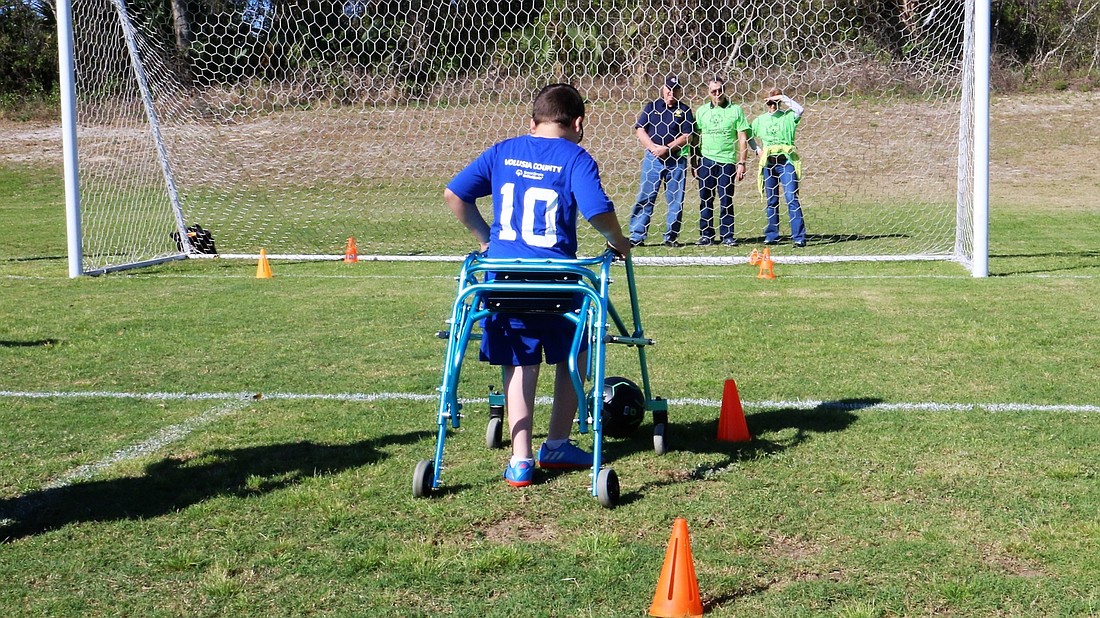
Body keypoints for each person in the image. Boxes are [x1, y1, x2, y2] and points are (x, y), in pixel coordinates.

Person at [443, 83, 632, 488]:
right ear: (578, 123)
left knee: (519, 361)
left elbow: (455, 194)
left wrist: (485, 237)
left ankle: (521, 458)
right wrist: (619, 242)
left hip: (504, 277)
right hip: (557, 282)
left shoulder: (501, 150)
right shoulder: (576, 157)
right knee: (573, 352)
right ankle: (559, 443)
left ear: (532, 123)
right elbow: (597, 209)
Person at [628, 75, 695, 248]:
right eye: (668, 89)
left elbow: (688, 136)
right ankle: (637, 235)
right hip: (653, 159)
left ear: (679, 91)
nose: (671, 93)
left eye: (675, 90)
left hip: (676, 159)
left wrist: (668, 147)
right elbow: (640, 129)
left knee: (675, 199)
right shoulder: (652, 106)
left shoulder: (685, 110)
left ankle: (671, 237)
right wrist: (653, 148)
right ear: (663, 89)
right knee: (646, 196)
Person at [691, 77, 750, 247]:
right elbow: (695, 139)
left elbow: (742, 137)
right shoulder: (702, 111)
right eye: (713, 91)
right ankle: (706, 234)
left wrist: (741, 162)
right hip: (706, 161)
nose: (717, 94)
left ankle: (727, 235)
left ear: (724, 90)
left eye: (720, 90)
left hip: (727, 162)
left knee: (726, 199)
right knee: (705, 199)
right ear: (708, 93)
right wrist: (694, 162)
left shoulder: (735, 110)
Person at [749, 87, 808, 247]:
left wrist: (783, 97)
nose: (772, 104)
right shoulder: (760, 121)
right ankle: (772, 235)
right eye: (769, 101)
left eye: (775, 101)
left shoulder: (788, 117)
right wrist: (757, 149)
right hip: (769, 164)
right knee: (772, 200)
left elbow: (800, 109)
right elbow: (748, 134)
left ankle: (799, 237)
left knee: (791, 198)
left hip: (786, 163)